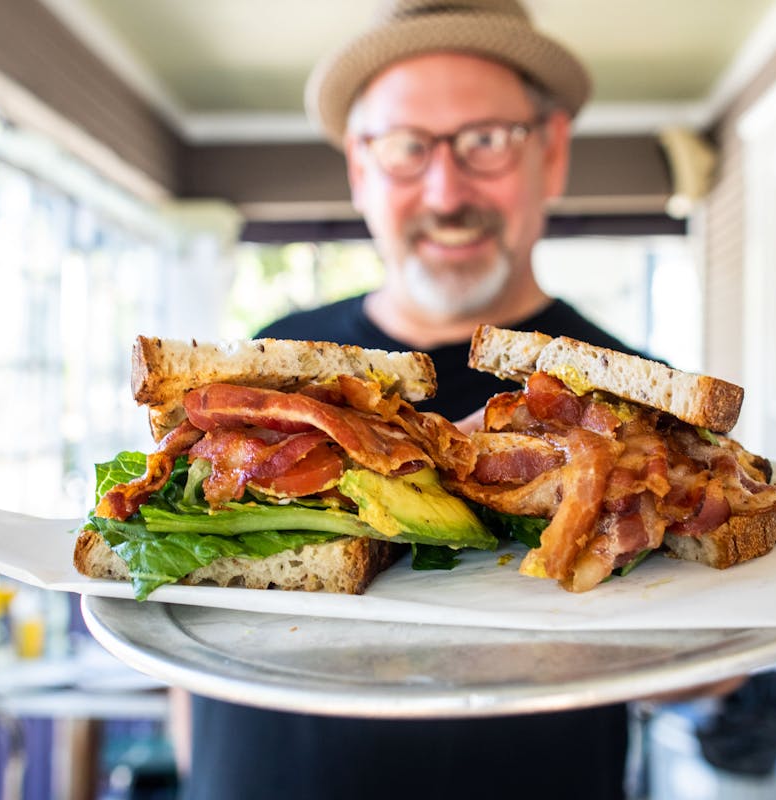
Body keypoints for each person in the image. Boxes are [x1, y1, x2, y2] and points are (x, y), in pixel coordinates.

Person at [180, 1, 683, 798]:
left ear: (549, 155)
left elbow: (712, 671)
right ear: (359, 166)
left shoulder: (639, 400)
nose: (446, 191)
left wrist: (705, 655)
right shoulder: (265, 369)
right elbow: (186, 626)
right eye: (407, 147)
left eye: (485, 141)